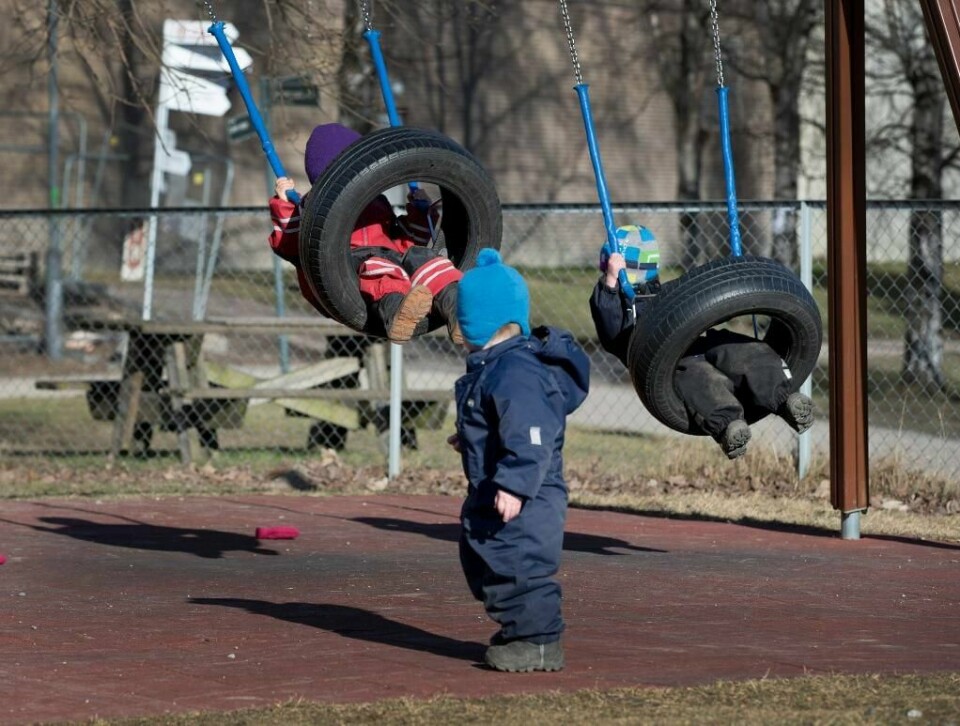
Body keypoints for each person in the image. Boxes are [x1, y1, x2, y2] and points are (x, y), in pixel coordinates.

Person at [447, 248, 590, 672]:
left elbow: (532, 435)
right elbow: (499, 421)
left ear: (476, 323)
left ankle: (539, 642)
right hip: (501, 486)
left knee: (519, 567)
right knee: (483, 559)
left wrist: (514, 484)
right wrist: (472, 438)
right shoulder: (496, 366)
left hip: (527, 494)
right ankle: (518, 631)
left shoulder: (518, 372)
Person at [589, 226, 814, 460]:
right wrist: (611, 283)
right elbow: (610, 330)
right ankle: (729, 426)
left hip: (698, 340)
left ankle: (785, 398)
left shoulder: (660, 292)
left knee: (738, 350)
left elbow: (693, 299)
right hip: (669, 363)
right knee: (700, 380)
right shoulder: (612, 302)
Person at [268, 123, 463, 344]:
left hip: (390, 257)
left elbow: (405, 243)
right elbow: (291, 246)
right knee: (378, 265)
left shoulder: (376, 201)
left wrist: (420, 214)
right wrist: (284, 205)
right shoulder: (313, 206)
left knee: (423, 257)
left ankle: (456, 309)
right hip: (348, 266)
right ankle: (397, 313)